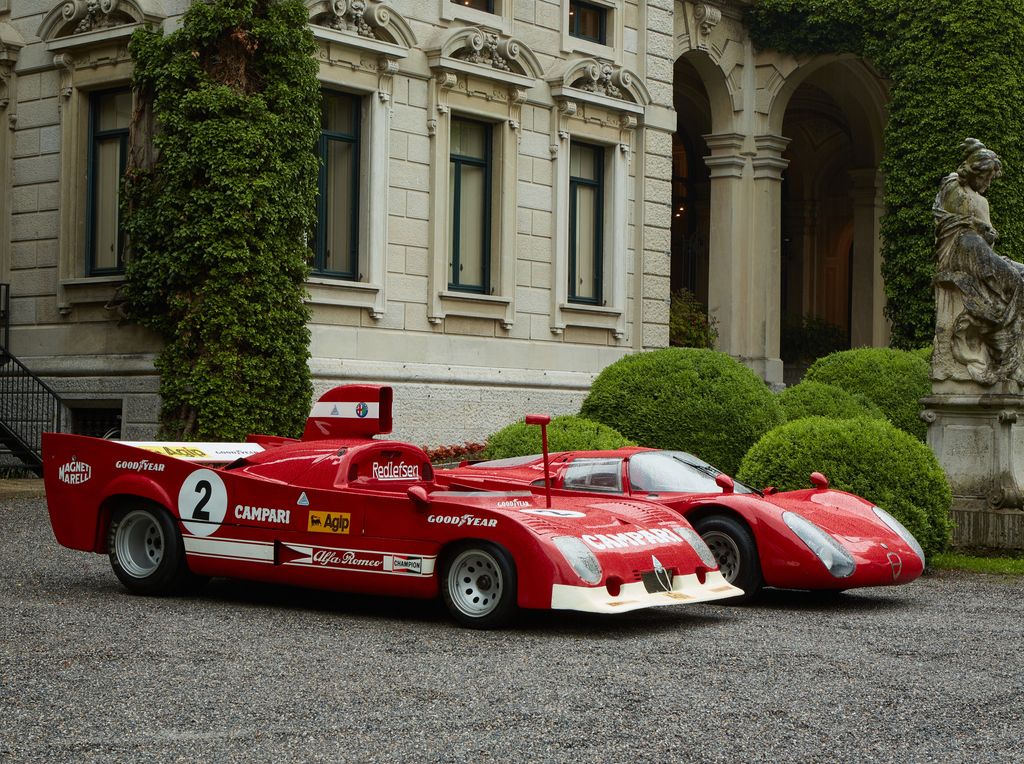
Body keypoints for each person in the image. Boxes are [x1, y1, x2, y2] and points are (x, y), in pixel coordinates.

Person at [933, 138, 1024, 386]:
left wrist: (987, 233)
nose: (988, 183)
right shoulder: (953, 184)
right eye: (986, 177)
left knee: (1021, 275)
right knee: (1015, 279)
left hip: (977, 249)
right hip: (960, 251)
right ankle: (1003, 349)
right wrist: (978, 228)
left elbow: (985, 235)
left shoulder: (979, 198)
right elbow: (947, 223)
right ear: (975, 171)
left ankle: (1008, 352)